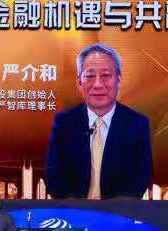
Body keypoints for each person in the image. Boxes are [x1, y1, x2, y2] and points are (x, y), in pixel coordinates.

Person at [45, 43, 153, 199]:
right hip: (74, 211)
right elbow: (54, 177)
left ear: (118, 80)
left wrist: (109, 210)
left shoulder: (137, 124)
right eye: (89, 76)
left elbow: (140, 178)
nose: (98, 85)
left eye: (106, 75)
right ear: (79, 82)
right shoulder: (64, 123)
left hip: (118, 211)